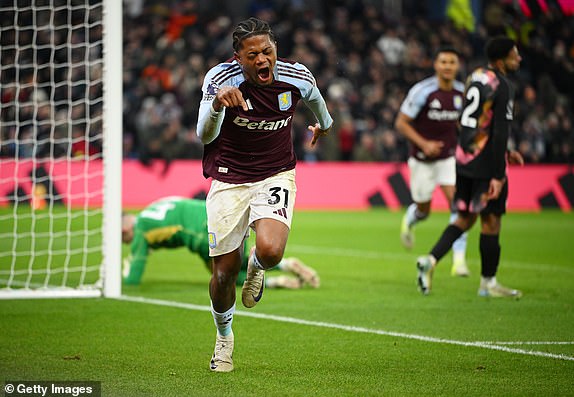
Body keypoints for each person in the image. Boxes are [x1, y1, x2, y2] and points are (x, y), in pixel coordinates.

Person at [196, 17, 332, 372]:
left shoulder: (296, 76)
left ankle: (258, 264)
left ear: (276, 51)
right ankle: (224, 336)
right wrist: (217, 107)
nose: (262, 60)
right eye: (253, 54)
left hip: (275, 173)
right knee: (224, 274)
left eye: (268, 51)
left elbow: (317, 100)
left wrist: (324, 125)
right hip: (229, 179)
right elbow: (203, 134)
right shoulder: (220, 80)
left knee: (271, 252)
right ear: (238, 58)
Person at [416, 36, 524, 298]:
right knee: (491, 222)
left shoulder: (475, 76)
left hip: (464, 159)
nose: (519, 59)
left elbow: (471, 121)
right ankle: (488, 283)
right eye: (514, 55)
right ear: (502, 60)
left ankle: (430, 260)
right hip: (487, 164)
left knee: (465, 217)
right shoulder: (503, 85)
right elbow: (498, 132)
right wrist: (499, 172)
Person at [120, 196, 320, 290]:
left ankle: (277, 282)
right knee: (232, 261)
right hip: (211, 212)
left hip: (199, 232)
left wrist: (126, 272)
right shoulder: (149, 209)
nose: (126, 242)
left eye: (123, 239)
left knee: (224, 275)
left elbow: (133, 281)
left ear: (125, 230)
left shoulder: (141, 232)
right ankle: (284, 265)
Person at [395, 46, 470, 277]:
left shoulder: (463, 93)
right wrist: (425, 143)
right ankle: (410, 218)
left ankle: (459, 261)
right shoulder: (423, 91)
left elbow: (463, 125)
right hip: (421, 160)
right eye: (443, 62)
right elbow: (401, 123)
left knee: (459, 207)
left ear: (457, 66)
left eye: (452, 62)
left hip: (448, 159)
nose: (448, 66)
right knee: (424, 210)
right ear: (436, 65)